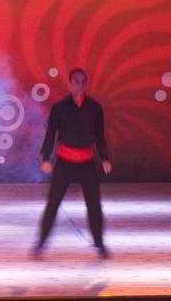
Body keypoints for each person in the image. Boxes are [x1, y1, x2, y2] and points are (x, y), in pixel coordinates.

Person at [34, 68, 112, 259]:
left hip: (86, 162)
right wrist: (46, 158)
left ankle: (99, 243)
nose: (79, 85)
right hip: (64, 162)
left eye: (82, 82)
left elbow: (100, 136)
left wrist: (104, 158)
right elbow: (50, 134)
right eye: (76, 82)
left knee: (94, 204)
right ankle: (41, 243)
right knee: (53, 203)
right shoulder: (59, 108)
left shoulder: (95, 108)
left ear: (86, 84)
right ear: (70, 84)